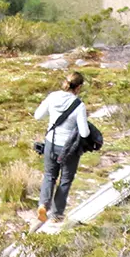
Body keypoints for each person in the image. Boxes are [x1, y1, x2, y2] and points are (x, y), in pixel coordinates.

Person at [32, 71, 91, 224]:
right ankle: (57, 215)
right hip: (69, 148)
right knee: (65, 179)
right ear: (78, 87)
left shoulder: (52, 97)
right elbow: (84, 133)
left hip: (50, 143)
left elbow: (38, 115)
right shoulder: (79, 105)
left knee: (49, 175)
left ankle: (43, 206)